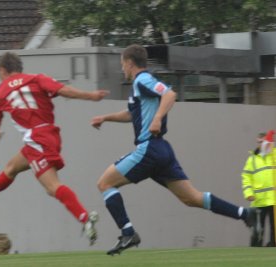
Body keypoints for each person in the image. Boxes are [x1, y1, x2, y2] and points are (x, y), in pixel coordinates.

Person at [90, 44, 258, 255]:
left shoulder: (143, 80)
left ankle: (128, 233)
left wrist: (158, 119)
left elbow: (169, 95)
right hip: (161, 150)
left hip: (149, 148)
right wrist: (106, 118)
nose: (122, 68)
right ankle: (245, 214)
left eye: (122, 64)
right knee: (192, 198)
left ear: (130, 63)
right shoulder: (140, 87)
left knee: (104, 183)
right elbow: (132, 114)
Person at [0, 52, 109, 245]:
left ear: (1, 70)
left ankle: (84, 218)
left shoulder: (0, 93)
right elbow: (63, 90)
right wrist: (91, 96)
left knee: (52, 187)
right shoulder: (37, 78)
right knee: (11, 168)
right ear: (19, 68)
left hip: (36, 139)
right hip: (49, 134)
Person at [241, 130, 276, 247]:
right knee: (258, 229)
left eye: (264, 142)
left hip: (274, 200)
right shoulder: (252, 159)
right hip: (259, 200)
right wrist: (248, 193)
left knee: (274, 229)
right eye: (259, 142)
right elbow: (246, 177)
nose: (262, 145)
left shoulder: (274, 155)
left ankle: (272, 246)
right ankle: (256, 248)